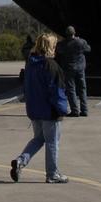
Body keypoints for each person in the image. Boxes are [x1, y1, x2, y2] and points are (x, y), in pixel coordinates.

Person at [10, 32, 70, 183]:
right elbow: (57, 90)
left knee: (38, 139)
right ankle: (52, 174)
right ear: (51, 47)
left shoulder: (31, 63)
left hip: (34, 109)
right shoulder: (51, 65)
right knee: (52, 142)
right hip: (49, 111)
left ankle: (20, 161)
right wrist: (63, 109)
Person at [56, 25, 91, 116]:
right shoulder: (81, 42)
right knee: (82, 89)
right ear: (74, 33)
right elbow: (88, 49)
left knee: (71, 90)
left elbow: (58, 51)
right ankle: (84, 110)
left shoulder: (63, 44)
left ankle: (75, 110)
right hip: (80, 68)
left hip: (68, 68)